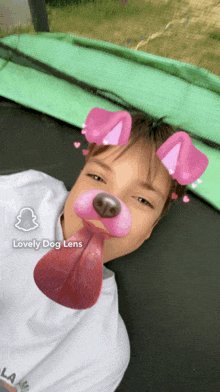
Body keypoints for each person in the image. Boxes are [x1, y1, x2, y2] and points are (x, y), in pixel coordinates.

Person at [0, 112, 186, 392]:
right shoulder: (16, 200)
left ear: (151, 229)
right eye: (97, 176)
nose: (109, 204)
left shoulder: (102, 351)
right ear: (78, 180)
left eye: (141, 199)